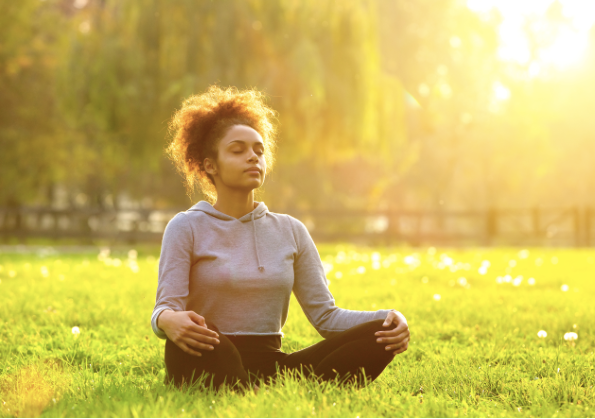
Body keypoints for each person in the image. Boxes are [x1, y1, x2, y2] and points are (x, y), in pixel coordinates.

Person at [151, 85, 410, 393]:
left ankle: (250, 388)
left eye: (259, 151)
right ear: (210, 165)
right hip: (208, 351)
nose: (253, 157)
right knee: (205, 345)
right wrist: (168, 321)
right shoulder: (186, 227)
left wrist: (389, 319)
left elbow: (326, 317)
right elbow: (165, 308)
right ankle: (242, 386)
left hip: (272, 365)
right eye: (238, 150)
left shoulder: (290, 230)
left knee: (379, 335)